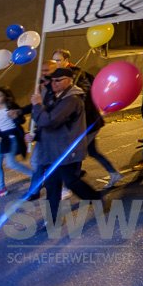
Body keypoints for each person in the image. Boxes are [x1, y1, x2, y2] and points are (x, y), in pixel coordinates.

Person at [30, 68, 105, 227]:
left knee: (71, 182)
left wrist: (37, 105)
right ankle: (53, 219)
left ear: (69, 80)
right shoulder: (55, 97)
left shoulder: (72, 100)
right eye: (53, 80)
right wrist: (35, 135)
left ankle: (95, 198)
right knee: (52, 185)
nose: (54, 83)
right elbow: (44, 123)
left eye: (59, 80)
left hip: (67, 151)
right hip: (53, 151)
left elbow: (50, 121)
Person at [0, 86, 31, 199]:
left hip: (10, 137)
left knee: (11, 163)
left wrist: (15, 116)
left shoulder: (11, 107)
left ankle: (36, 175)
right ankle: (1, 188)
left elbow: (21, 120)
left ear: (5, 97)